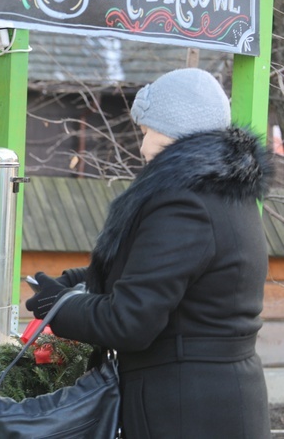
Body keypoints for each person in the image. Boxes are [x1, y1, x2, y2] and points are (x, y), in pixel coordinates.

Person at [26, 68, 273, 438]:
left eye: (146, 132)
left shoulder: (184, 202)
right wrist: (82, 280)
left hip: (185, 409)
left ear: (174, 129)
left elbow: (129, 323)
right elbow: (162, 274)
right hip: (216, 401)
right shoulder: (222, 192)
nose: (141, 147)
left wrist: (59, 307)